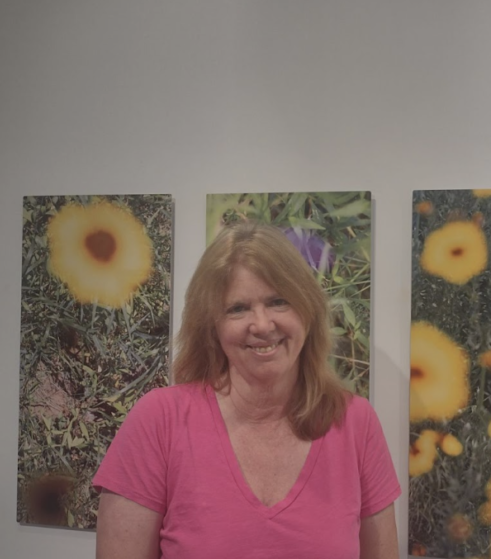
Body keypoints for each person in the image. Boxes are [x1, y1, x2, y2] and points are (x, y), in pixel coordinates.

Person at [93, 222, 400, 559]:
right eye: (238, 308)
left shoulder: (355, 422)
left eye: (279, 302)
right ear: (212, 326)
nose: (263, 325)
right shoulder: (159, 421)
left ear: (307, 310)